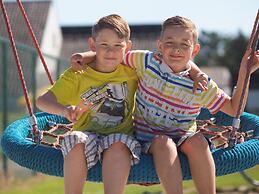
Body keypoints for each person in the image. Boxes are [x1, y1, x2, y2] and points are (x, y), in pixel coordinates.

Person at [70, 15, 259, 194]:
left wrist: (244, 73)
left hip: (183, 134)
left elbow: (234, 109)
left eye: (184, 45)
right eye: (169, 43)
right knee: (164, 143)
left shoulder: (201, 84)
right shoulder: (146, 62)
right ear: (159, 45)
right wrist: (85, 56)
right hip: (148, 139)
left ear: (194, 50)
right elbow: (114, 53)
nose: (176, 49)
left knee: (199, 141)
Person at [36, 14, 142, 194]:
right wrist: (65, 110)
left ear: (127, 47)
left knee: (118, 144)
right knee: (75, 138)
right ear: (92, 44)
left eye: (118, 46)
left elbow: (166, 64)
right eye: (104, 45)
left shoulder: (133, 71)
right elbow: (42, 101)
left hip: (120, 137)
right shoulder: (78, 74)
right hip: (87, 135)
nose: (111, 52)